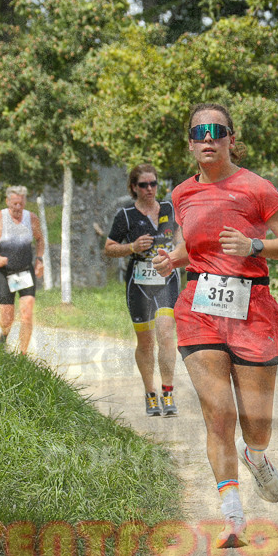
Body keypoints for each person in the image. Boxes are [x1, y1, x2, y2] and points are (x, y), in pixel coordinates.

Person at [152, 103, 278, 549]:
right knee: (217, 415)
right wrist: (171, 260)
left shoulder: (256, 189)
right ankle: (233, 518)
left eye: (216, 131)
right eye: (198, 131)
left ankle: (256, 455)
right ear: (189, 141)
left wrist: (255, 244)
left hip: (252, 306)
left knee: (255, 422)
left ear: (231, 139)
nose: (207, 138)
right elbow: (191, 246)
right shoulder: (181, 194)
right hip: (199, 305)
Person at [104, 164, 180, 417]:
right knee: (146, 343)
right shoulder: (125, 215)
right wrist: (132, 247)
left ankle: (168, 391)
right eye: (144, 185)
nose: (150, 189)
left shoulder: (169, 209)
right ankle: (151, 394)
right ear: (134, 188)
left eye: (153, 184)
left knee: (167, 334)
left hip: (166, 279)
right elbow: (109, 247)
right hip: (138, 283)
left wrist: (178, 254)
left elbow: (181, 238)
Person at [0, 185, 45, 355]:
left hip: (24, 271)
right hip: (5, 272)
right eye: (14, 204)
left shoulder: (31, 218)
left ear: (25, 202)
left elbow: (39, 240)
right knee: (7, 318)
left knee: (27, 312)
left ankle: (22, 355)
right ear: (7, 202)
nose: (18, 208)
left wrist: (39, 260)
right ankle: (3, 336)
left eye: (21, 204)